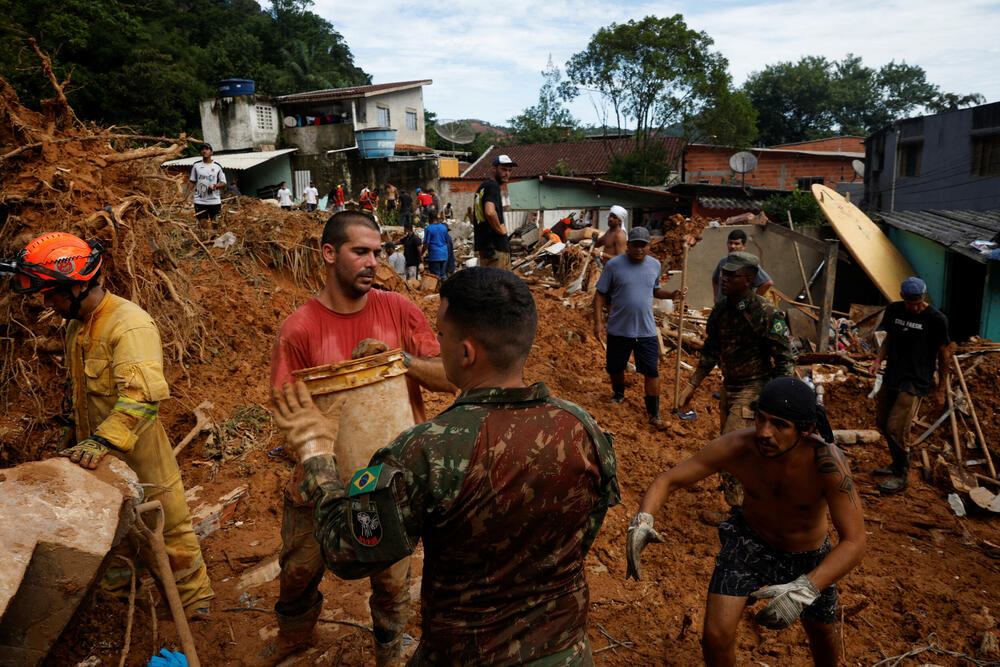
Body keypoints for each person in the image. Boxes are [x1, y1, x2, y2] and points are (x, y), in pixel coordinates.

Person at [271, 267, 620, 665]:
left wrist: (317, 453)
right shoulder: (583, 428)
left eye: (441, 334)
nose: (436, 342)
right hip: (566, 654)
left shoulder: (426, 450)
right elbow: (586, 530)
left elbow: (346, 550)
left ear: (466, 352)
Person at [268, 211, 455, 666]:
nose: (374, 261)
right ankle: (295, 637)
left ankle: (388, 652)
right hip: (321, 482)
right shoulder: (300, 327)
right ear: (329, 254)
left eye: (378, 252)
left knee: (392, 582)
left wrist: (400, 361)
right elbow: (287, 407)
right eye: (361, 252)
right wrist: (317, 465)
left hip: (390, 484)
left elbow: (451, 377)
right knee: (297, 573)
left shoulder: (399, 310)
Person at [7, 233, 214, 614]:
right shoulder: (77, 324)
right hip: (96, 459)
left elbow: (141, 398)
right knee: (114, 542)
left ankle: (196, 611)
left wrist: (101, 443)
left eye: (51, 293)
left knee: (170, 535)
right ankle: (120, 611)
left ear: (78, 284)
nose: (47, 303)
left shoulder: (129, 324)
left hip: (140, 459)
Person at [627, 377, 864, 667]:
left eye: (779, 424)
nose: (764, 432)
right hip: (749, 542)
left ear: (806, 429)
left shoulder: (827, 463)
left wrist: (807, 587)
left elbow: (854, 541)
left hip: (808, 557)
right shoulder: (738, 447)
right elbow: (668, 480)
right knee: (716, 635)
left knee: (822, 636)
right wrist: (643, 519)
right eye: (760, 419)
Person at [677, 251, 795, 521]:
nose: (724, 278)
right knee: (745, 450)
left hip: (754, 389)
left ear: (749, 280)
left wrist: (778, 400)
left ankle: (740, 514)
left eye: (731, 275)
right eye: (724, 273)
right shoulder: (721, 310)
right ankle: (754, 505)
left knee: (730, 451)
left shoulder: (766, 313)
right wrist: (691, 385)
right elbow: (710, 350)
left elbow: (785, 358)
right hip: (729, 387)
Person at [593, 227, 686, 428]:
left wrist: (672, 295)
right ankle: (618, 394)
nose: (639, 249)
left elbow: (655, 290)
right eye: (635, 244)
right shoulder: (614, 265)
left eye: (643, 245)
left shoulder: (654, 265)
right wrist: (598, 322)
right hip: (619, 328)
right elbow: (600, 293)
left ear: (649, 246)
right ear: (628, 245)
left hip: (646, 330)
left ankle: (654, 413)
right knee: (615, 367)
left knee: (651, 371)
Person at [869, 277, 950, 494]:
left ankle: (902, 476)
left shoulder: (936, 319)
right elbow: (888, 339)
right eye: (909, 302)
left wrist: (941, 390)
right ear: (902, 296)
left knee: (897, 427)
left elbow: (944, 355)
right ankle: (896, 464)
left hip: (916, 380)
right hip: (893, 375)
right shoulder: (894, 310)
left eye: (917, 303)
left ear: (923, 297)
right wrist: (878, 361)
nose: (914, 307)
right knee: (883, 422)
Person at [473, 154, 516, 270]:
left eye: (509, 170)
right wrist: (500, 230)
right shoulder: (493, 187)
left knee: (488, 284)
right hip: (496, 247)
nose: (507, 173)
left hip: (485, 248)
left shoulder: (482, 187)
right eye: (503, 169)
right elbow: (490, 212)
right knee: (501, 285)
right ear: (494, 168)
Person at [711, 229, 773, 302]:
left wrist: (752, 301)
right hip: (722, 307)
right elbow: (715, 279)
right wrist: (716, 297)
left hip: (738, 309)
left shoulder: (748, 264)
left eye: (737, 244)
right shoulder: (723, 261)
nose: (732, 246)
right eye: (730, 243)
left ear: (744, 246)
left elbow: (767, 283)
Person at [184, 142, 226, 221]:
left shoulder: (217, 166)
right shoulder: (196, 166)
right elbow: (192, 182)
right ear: (201, 152)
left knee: (216, 224)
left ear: (211, 152)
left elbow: (223, 183)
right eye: (202, 149)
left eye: (207, 149)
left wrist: (216, 186)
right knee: (203, 225)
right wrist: (185, 197)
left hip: (214, 201)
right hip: (200, 201)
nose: (204, 151)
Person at [422, 215, 450, 281]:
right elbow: (447, 242)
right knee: (443, 275)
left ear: (429, 219)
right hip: (444, 254)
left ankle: (438, 290)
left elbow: (426, 244)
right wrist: (446, 253)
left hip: (434, 255)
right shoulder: (444, 228)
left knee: (435, 276)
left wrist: (421, 253)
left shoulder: (428, 228)